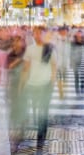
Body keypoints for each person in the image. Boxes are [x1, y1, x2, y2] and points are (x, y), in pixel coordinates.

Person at [12, 26, 56, 154]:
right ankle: (20, 136)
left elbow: (54, 68)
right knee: (25, 111)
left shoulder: (50, 49)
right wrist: (21, 85)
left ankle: (40, 144)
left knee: (43, 115)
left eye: (40, 33)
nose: (37, 36)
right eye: (35, 34)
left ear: (44, 34)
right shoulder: (30, 49)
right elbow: (26, 69)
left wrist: (51, 85)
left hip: (45, 85)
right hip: (31, 85)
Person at [70, 29, 84, 97]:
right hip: (75, 61)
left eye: (80, 34)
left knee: (82, 76)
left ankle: (82, 87)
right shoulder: (73, 43)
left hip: (82, 61)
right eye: (78, 34)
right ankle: (77, 89)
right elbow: (70, 52)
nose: (79, 35)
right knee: (76, 76)